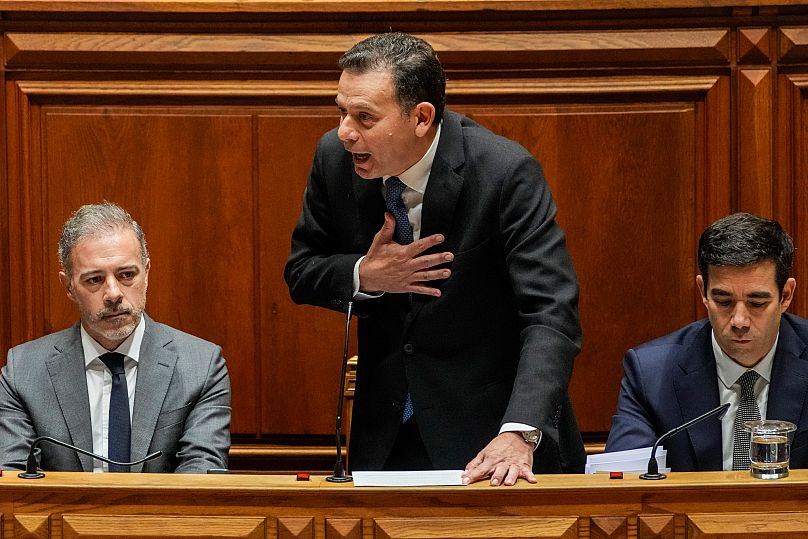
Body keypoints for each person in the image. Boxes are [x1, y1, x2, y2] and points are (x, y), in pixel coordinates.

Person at [285, 32, 585, 485]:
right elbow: (302, 269)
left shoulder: (504, 173)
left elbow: (551, 312)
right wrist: (366, 274)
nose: (346, 132)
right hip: (385, 438)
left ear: (422, 117)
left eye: (364, 117)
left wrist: (521, 431)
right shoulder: (334, 159)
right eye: (342, 111)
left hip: (492, 440)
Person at [0, 202, 231, 473]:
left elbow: (200, 479)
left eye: (126, 275)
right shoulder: (24, 373)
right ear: (68, 287)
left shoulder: (201, 367)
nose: (113, 293)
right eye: (95, 280)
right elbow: (13, 486)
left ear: (147, 273)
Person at [606, 212, 808, 471]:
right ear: (703, 292)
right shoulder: (651, 375)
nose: (739, 320)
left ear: (786, 295)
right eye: (723, 302)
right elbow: (625, 485)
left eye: (757, 303)